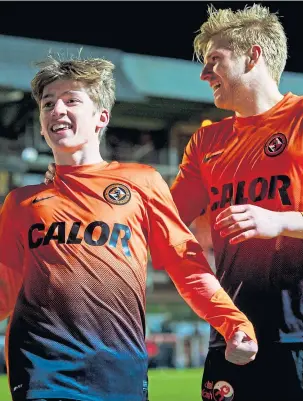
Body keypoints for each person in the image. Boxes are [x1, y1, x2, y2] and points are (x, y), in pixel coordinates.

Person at [46, 4, 303, 401]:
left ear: (253, 56)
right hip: (233, 334)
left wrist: (285, 222)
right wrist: (75, 187)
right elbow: (161, 221)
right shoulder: (207, 142)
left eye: (215, 60)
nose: (204, 73)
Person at [0, 56, 258, 401]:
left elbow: (186, 264)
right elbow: (4, 286)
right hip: (42, 371)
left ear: (100, 118)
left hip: (120, 371)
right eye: (48, 103)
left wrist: (234, 323)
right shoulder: (20, 203)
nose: (56, 109)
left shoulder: (142, 182)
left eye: (71, 100)